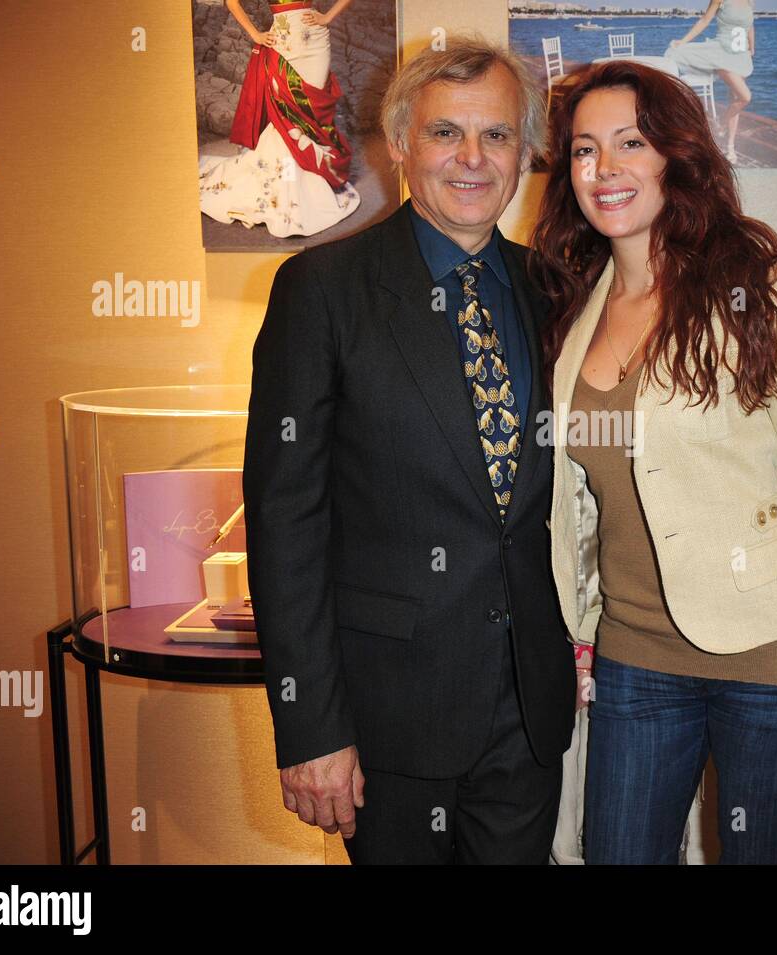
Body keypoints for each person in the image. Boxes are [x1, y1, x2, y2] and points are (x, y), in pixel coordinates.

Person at [530, 60, 777, 865]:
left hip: (775, 650)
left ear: (676, 155)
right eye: (585, 150)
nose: (605, 169)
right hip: (635, 653)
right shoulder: (570, 304)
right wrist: (579, 629)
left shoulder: (762, 289)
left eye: (631, 142)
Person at [242, 39, 576, 864]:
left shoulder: (555, 291)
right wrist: (311, 727)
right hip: (387, 716)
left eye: (497, 136)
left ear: (525, 152)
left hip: (527, 716)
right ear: (399, 145)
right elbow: (286, 523)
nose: (472, 159)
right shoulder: (321, 290)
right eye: (445, 134)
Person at [199, 0, 360, 237]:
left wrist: (327, 17)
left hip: (315, 44)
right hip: (284, 46)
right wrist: (255, 34)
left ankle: (311, 186)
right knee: (287, 118)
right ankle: (288, 192)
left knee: (314, 116)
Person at [664, 0, 754, 164]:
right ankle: (720, 125)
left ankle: (730, 147)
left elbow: (749, 26)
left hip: (742, 56)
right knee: (745, 97)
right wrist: (683, 41)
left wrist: (752, 49)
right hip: (722, 53)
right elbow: (705, 20)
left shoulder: (749, 1)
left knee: (735, 101)